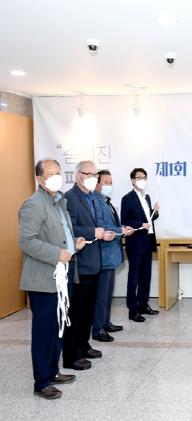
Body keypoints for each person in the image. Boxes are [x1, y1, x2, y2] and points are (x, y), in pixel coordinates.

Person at [18, 159, 86, 399]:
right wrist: (57, 253)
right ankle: (42, 382)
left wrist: (73, 243)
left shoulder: (60, 201)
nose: (57, 177)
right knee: (44, 331)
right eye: (51, 174)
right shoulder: (33, 205)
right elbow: (27, 241)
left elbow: (59, 235)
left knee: (58, 328)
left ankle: (53, 371)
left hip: (62, 275)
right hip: (43, 279)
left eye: (58, 172)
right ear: (39, 179)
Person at [63, 160, 116, 370]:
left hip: (95, 262)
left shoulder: (94, 197)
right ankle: (72, 354)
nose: (94, 178)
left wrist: (104, 233)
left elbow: (98, 225)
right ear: (78, 175)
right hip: (80, 264)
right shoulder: (70, 198)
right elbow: (69, 228)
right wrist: (92, 232)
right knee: (76, 312)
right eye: (90, 174)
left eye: (95, 174)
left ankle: (84, 345)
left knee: (88, 311)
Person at [92, 170, 133, 342]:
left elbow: (113, 224)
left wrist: (123, 228)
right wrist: (120, 231)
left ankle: (105, 322)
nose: (109, 185)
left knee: (108, 293)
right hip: (104, 255)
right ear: (97, 184)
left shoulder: (106, 201)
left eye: (111, 182)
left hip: (111, 255)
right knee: (101, 295)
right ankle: (98, 328)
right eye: (106, 182)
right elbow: (101, 227)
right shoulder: (96, 201)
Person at [121, 168, 160, 322]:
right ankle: (132, 310)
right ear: (133, 180)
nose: (142, 180)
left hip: (147, 241)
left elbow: (148, 219)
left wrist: (155, 212)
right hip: (135, 242)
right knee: (134, 277)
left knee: (146, 276)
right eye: (139, 177)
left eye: (144, 177)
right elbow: (125, 220)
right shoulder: (127, 198)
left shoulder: (147, 197)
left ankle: (143, 304)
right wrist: (140, 224)